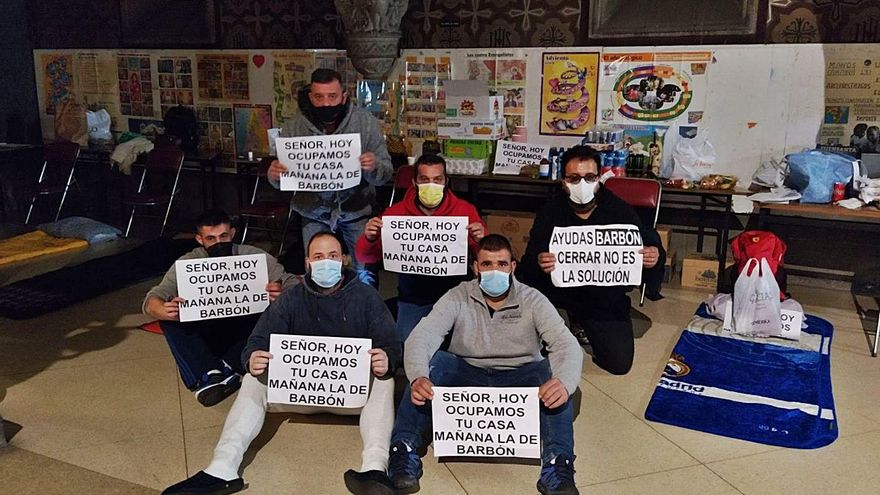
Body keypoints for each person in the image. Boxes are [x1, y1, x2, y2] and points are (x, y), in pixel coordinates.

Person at [162, 232, 402, 495]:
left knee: (384, 379)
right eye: (318, 257)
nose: (326, 263)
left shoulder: (367, 298)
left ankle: (374, 470)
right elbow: (257, 340)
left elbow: (391, 344)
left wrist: (386, 357)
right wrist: (252, 357)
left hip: (352, 399)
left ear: (344, 259)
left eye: (333, 256)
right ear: (308, 263)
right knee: (254, 378)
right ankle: (222, 468)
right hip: (297, 394)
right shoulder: (291, 298)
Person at [387, 235, 584, 495]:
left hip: (520, 374)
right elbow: (422, 336)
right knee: (435, 365)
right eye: (487, 264)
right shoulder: (458, 295)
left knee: (554, 378)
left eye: (502, 264)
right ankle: (403, 450)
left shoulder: (533, 299)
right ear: (475, 267)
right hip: (467, 371)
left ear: (513, 267)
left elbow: (565, 344)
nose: (494, 271)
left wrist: (563, 382)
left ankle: (558, 464)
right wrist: (417, 377)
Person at [518, 145, 665, 376]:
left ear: (599, 178)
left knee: (618, 364)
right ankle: (571, 321)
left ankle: (585, 325)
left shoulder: (617, 209)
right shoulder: (550, 211)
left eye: (589, 177)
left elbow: (649, 243)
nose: (582, 184)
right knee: (539, 359)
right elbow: (528, 264)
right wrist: (540, 261)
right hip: (560, 295)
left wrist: (652, 257)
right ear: (563, 181)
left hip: (603, 299)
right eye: (574, 178)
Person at [143, 209, 297, 407]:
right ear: (199, 239)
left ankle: (221, 371)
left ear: (232, 234)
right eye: (210, 238)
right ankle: (210, 374)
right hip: (208, 328)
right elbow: (154, 297)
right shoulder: (188, 262)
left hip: (246, 329)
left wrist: (281, 292)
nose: (218, 243)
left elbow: (292, 281)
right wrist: (162, 309)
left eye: (223, 236)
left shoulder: (254, 256)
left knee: (278, 313)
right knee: (169, 321)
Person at [268, 68, 393, 286]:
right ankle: (319, 313)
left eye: (332, 96)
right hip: (313, 212)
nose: (326, 103)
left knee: (364, 271)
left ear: (344, 96)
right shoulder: (294, 127)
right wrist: (275, 175)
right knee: (317, 270)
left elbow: (385, 174)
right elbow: (283, 178)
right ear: (310, 97)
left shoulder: (365, 123)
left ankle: (366, 312)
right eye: (319, 97)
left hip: (356, 209)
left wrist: (373, 167)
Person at [355, 154, 486, 341]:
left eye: (437, 179)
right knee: (407, 350)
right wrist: (369, 238)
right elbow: (366, 258)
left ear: (446, 182)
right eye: (424, 179)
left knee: (462, 348)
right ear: (414, 182)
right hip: (412, 298)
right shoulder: (395, 214)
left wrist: (480, 240)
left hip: (456, 296)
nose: (431, 185)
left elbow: (483, 258)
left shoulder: (465, 211)